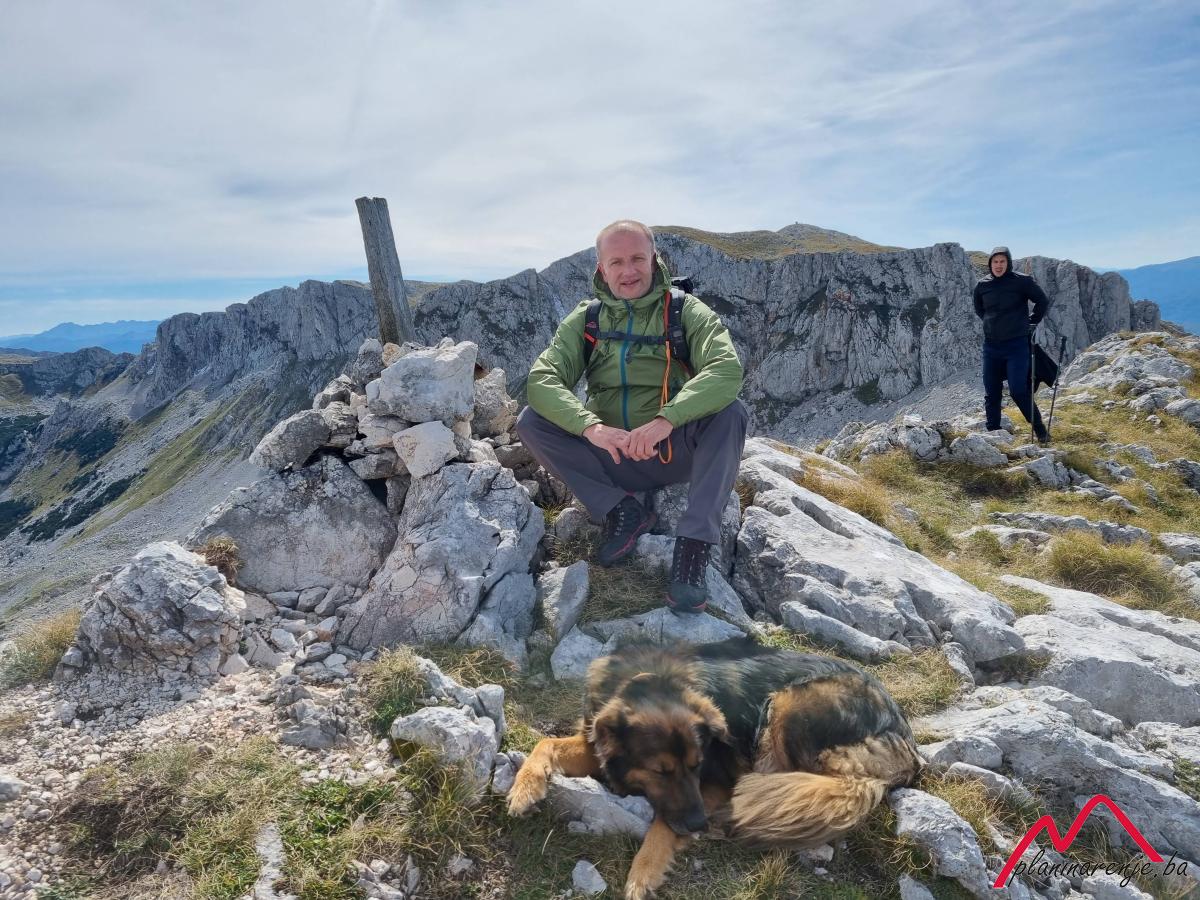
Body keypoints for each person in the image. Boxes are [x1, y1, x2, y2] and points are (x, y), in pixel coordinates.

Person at [516, 219, 748, 614]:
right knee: (530, 421)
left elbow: (726, 370)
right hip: (610, 455)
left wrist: (665, 421)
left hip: (670, 451)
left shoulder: (685, 311)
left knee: (730, 413)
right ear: (602, 269)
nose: (629, 271)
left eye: (638, 259)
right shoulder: (587, 319)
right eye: (617, 262)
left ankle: (692, 550)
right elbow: (541, 381)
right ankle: (621, 510)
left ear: (654, 260)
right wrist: (591, 428)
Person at [973, 246, 1052, 443]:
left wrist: (1031, 322)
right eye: (995, 261)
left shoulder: (1022, 281)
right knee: (992, 391)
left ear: (1008, 263)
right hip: (991, 347)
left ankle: (1040, 430)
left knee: (1018, 390)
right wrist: (991, 323)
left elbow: (1042, 301)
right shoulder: (982, 285)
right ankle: (994, 433)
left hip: (1016, 346)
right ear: (990, 264)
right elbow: (979, 309)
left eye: (1002, 261)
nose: (998, 265)